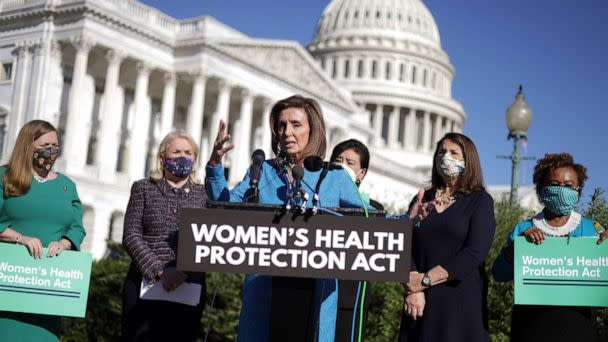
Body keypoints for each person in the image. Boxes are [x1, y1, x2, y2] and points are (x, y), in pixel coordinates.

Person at [205, 95, 364, 342]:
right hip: (265, 291)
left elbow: (369, 219)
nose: (287, 132)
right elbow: (225, 207)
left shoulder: (334, 177)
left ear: (314, 130)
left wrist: (411, 219)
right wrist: (215, 166)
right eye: (281, 125)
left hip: (315, 293)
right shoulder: (262, 171)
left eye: (296, 125)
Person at [492, 153, 607, 342]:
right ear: (541, 188)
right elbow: (499, 273)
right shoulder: (524, 229)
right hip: (532, 328)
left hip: (580, 328)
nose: (562, 190)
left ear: (578, 190)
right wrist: (517, 247)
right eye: (554, 184)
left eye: (569, 186)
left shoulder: (593, 229)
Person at [398, 132, 495, 342]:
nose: (446, 157)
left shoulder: (479, 201)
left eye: (453, 152)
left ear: (468, 160)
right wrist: (413, 288)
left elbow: (475, 252)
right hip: (419, 302)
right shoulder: (423, 199)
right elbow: (402, 243)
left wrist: (424, 280)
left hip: (459, 303)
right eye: (441, 152)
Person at [0, 120, 86, 342]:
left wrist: (65, 243)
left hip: (46, 289)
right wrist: (20, 238)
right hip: (8, 283)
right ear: (28, 146)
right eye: (46, 144)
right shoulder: (5, 177)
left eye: (55, 145)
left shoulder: (67, 186)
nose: (52, 150)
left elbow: (76, 227)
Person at [121, 131, 207, 342]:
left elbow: (206, 240)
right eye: (176, 151)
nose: (182, 157)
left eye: (188, 152)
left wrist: (183, 271)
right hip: (144, 285)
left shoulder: (204, 194)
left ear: (195, 159)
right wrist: (159, 271)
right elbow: (131, 234)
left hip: (189, 286)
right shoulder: (143, 188)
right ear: (162, 158)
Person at [329, 138, 379, 342]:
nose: (342, 166)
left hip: (351, 298)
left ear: (361, 173)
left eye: (350, 163)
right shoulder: (317, 202)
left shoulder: (373, 209)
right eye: (338, 160)